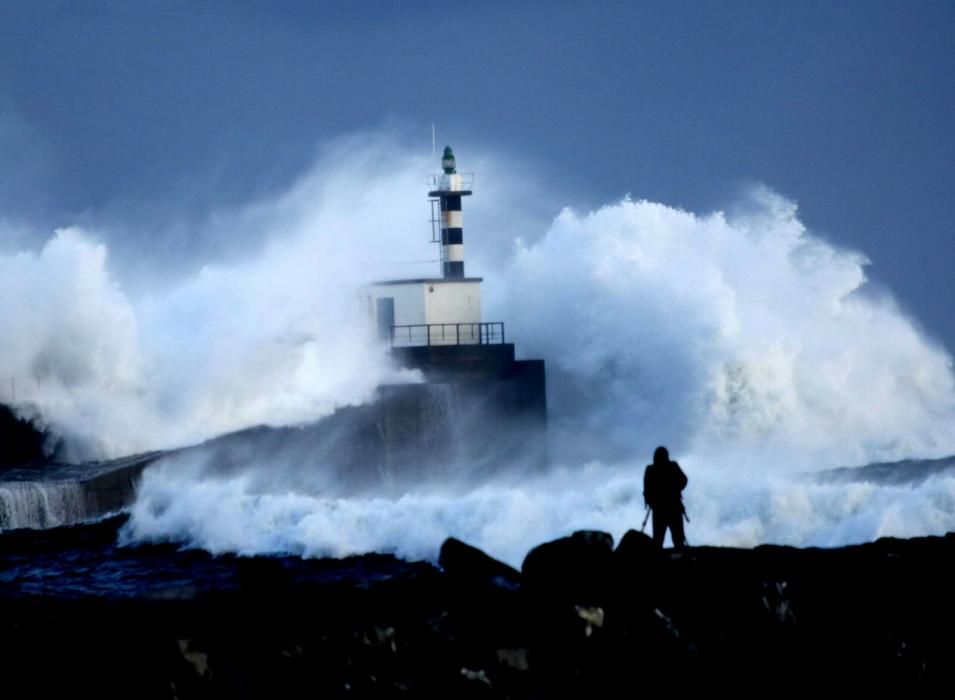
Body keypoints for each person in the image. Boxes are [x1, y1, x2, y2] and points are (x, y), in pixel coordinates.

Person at [643, 446, 688, 549]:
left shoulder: (651, 470)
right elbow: (684, 480)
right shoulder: (672, 466)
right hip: (673, 507)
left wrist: (650, 500)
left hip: (661, 509)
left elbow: (646, 490)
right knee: (676, 538)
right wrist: (675, 489)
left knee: (660, 539)